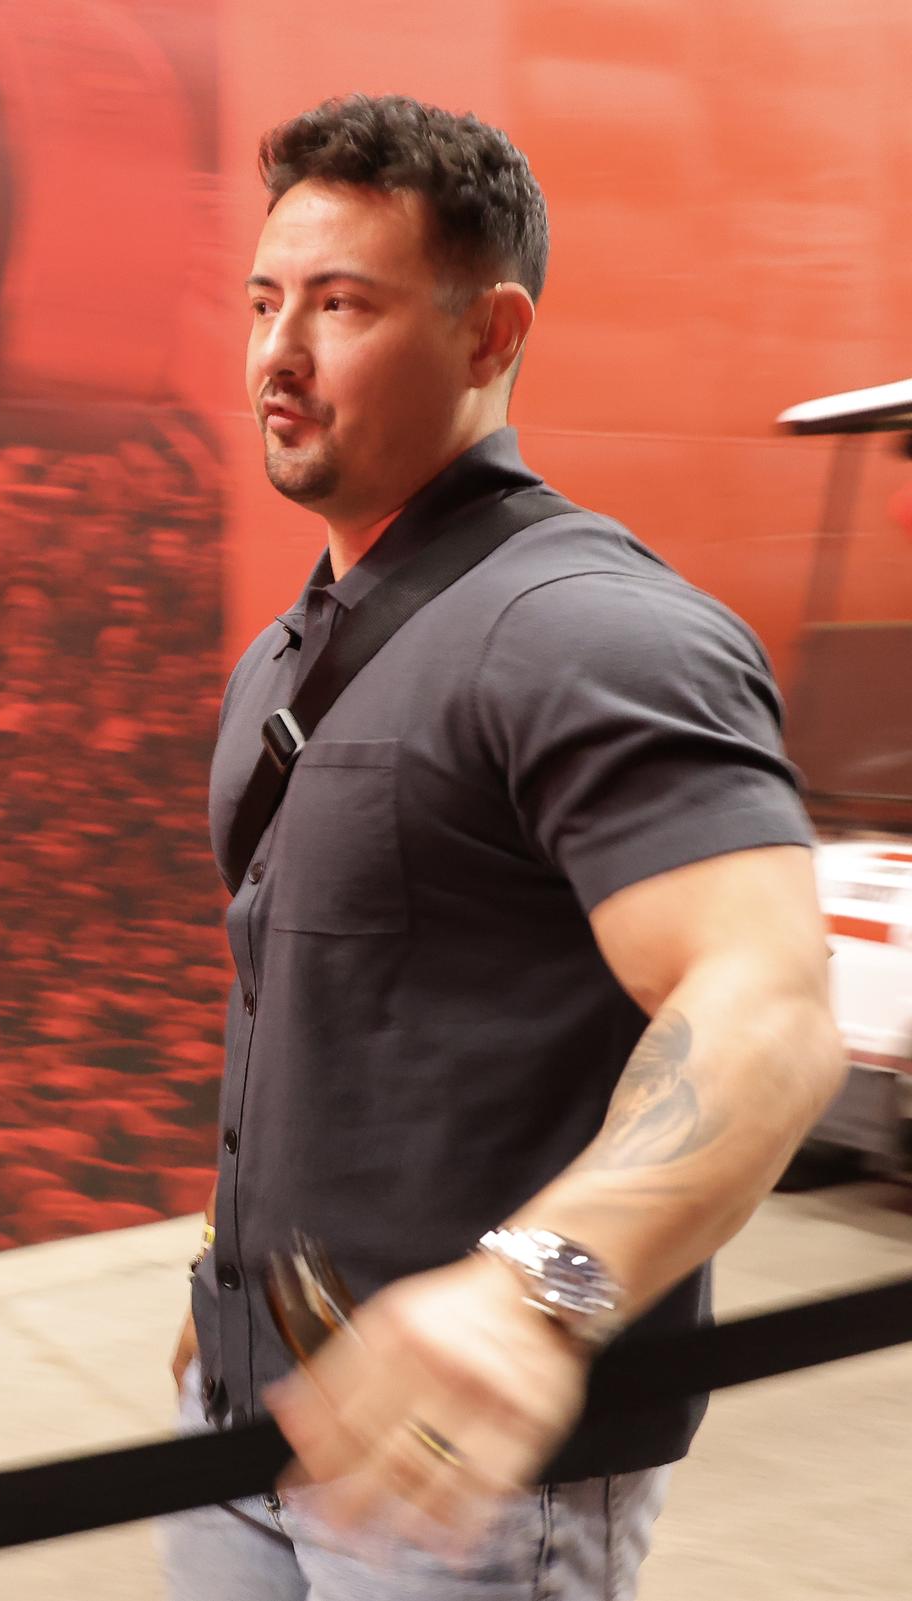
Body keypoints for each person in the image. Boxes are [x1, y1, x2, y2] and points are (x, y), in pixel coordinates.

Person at [159, 95, 845, 1599]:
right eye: (267, 299)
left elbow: (767, 1006)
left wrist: (541, 1293)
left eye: (341, 306)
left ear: (489, 334)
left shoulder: (588, 630)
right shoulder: (287, 655)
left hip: (468, 1476)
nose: (277, 351)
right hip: (242, 1414)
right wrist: (232, 1302)